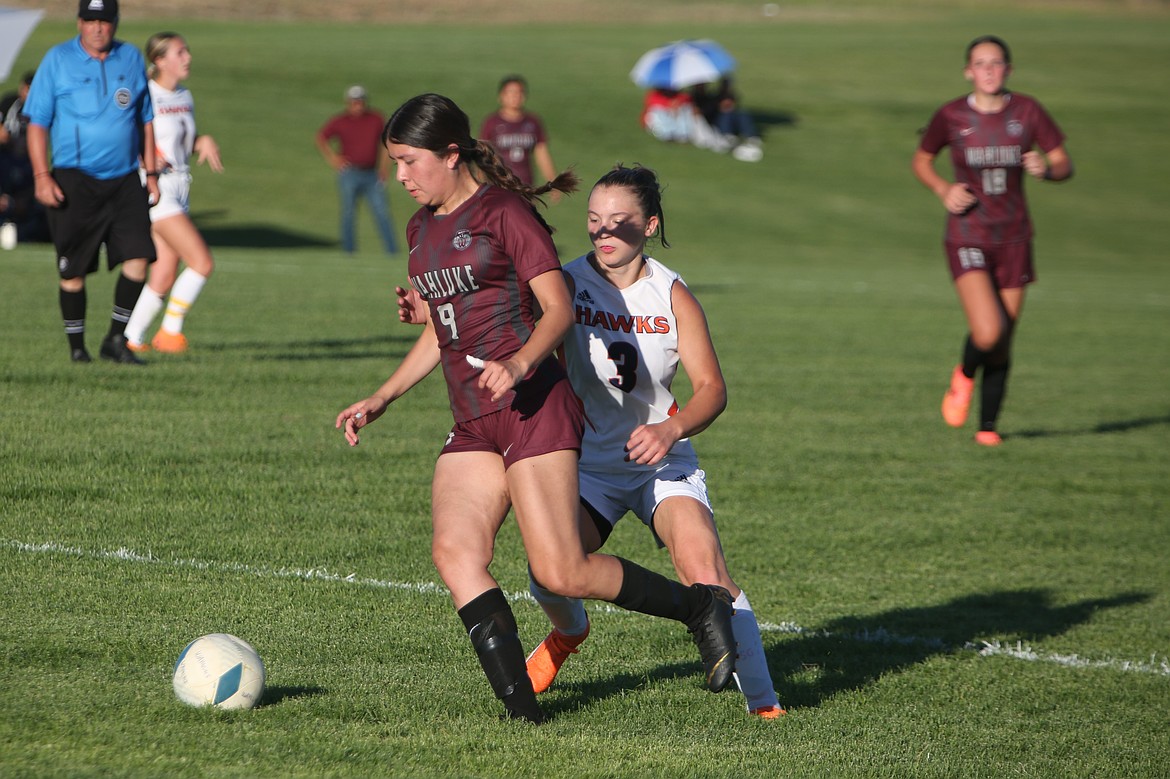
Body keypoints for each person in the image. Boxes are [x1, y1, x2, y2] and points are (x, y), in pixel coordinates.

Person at [335, 93, 737, 724]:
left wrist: (520, 364)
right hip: (473, 419)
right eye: (395, 164)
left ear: (450, 152)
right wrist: (383, 395)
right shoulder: (420, 230)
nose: (401, 177)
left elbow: (557, 309)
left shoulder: (505, 213)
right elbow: (447, 328)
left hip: (533, 410)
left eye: (410, 161)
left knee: (561, 571)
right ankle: (522, 714)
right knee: (455, 553)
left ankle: (699, 608)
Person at [516, 164, 783, 718]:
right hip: (586, 462)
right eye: (593, 221)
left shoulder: (672, 293)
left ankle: (766, 707)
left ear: (651, 224)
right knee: (548, 571)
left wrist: (671, 428)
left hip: (662, 460)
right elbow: (500, 318)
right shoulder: (564, 283)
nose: (603, 233)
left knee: (706, 572)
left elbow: (712, 389)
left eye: (619, 222)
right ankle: (567, 635)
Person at [912, 35, 1072, 445]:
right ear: (968, 71)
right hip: (967, 233)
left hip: (1015, 237)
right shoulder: (950, 115)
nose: (988, 70)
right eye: (980, 63)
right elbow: (922, 159)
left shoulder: (1028, 111)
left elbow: (1062, 161)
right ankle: (964, 374)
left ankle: (987, 429)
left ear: (1008, 70)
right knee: (987, 332)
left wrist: (1047, 169)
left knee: (1004, 340)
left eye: (996, 63)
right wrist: (943, 189)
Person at [23, 0, 159, 364]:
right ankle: (77, 348)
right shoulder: (58, 59)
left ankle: (115, 339)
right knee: (74, 268)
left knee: (140, 256)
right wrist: (41, 176)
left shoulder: (129, 58)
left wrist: (152, 173)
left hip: (124, 178)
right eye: (90, 20)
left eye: (105, 21)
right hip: (74, 178)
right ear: (79, 22)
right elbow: (37, 121)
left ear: (115, 23)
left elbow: (144, 118)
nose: (98, 28)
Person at [123, 32, 222, 355]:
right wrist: (144, 156)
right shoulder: (145, 94)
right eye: (180, 52)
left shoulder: (184, 96)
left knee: (164, 274)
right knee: (202, 262)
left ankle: (131, 338)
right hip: (156, 188)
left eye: (187, 51)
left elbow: (181, 142)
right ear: (159, 60)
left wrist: (201, 141)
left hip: (181, 187)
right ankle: (169, 333)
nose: (187, 57)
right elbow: (124, 137)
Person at [315, 85, 398, 255]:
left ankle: (392, 251)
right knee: (348, 213)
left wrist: (384, 168)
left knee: (382, 212)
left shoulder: (376, 119)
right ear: (348, 103)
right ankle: (349, 251)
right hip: (350, 173)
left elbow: (386, 143)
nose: (357, 105)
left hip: (372, 174)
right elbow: (321, 137)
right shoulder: (341, 121)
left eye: (360, 101)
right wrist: (334, 159)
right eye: (354, 102)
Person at [478, 75, 556, 188]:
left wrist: (552, 180)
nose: (515, 96)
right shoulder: (492, 122)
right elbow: (483, 154)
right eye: (510, 93)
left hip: (526, 184)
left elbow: (541, 151)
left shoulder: (532, 122)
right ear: (501, 96)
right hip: (500, 184)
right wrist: (481, 183)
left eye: (519, 92)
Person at [692, 78, 763, 162]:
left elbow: (730, 104)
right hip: (712, 121)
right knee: (725, 115)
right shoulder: (694, 98)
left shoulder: (715, 96)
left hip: (724, 117)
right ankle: (727, 135)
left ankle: (751, 136)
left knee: (742, 114)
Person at [640, 87, 730, 153]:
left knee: (688, 113)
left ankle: (709, 139)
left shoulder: (682, 96)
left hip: (684, 122)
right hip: (662, 123)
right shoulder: (655, 96)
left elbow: (689, 104)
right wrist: (670, 105)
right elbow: (653, 108)